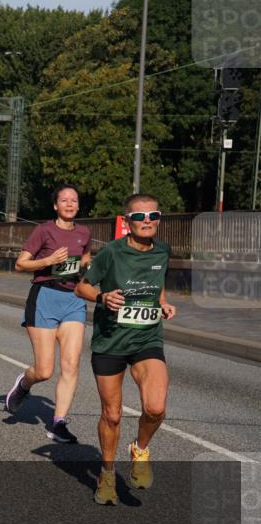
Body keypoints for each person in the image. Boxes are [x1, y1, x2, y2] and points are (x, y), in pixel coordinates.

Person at [75, 194, 175, 505]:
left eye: (153, 215)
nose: (147, 221)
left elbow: (157, 282)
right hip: (110, 342)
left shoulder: (163, 250)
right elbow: (82, 286)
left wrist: (162, 303)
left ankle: (140, 449)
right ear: (127, 222)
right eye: (139, 217)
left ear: (158, 219)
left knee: (156, 407)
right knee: (113, 415)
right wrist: (103, 297)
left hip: (147, 338)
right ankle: (107, 475)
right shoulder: (112, 254)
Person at [4, 184, 91, 443]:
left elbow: (85, 257)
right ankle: (24, 385)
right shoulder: (44, 230)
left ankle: (58, 422)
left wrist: (87, 266)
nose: (69, 204)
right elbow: (21, 264)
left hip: (73, 299)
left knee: (72, 364)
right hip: (45, 296)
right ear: (55, 206)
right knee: (44, 370)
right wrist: (48, 261)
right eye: (64, 200)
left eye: (74, 200)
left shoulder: (84, 232)